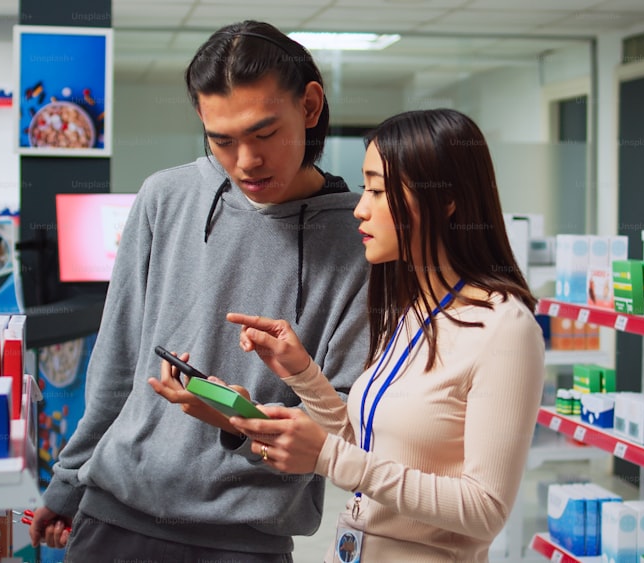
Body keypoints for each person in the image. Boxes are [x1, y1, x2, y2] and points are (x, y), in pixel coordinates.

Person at [29, 20, 370, 562]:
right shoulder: (166, 197)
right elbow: (117, 363)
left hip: (246, 542)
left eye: (263, 134)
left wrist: (235, 417)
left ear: (309, 107)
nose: (246, 162)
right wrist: (68, 483)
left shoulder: (359, 242)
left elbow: (344, 427)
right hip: (115, 514)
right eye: (222, 140)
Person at [227, 109, 545, 562]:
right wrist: (303, 374)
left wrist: (328, 458)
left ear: (446, 199)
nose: (360, 206)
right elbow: (370, 446)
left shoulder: (504, 329)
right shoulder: (415, 309)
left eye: (378, 189)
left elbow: (485, 509)